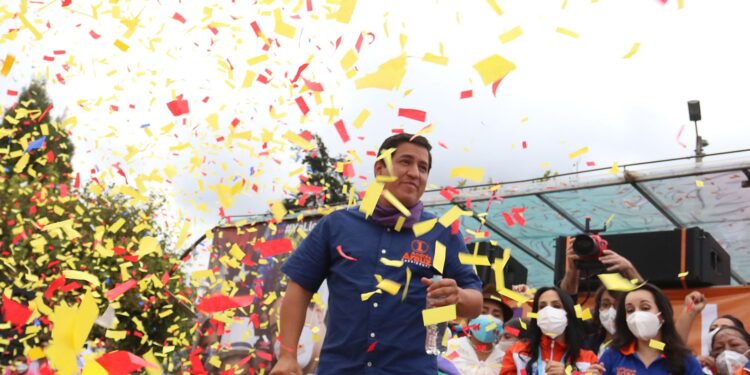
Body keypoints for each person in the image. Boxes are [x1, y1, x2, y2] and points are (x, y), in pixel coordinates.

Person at [271, 133, 483, 375]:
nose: (415, 172)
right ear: (380, 168)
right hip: (340, 369)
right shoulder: (337, 225)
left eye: (423, 168)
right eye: (405, 162)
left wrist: (458, 297)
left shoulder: (442, 232)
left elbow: (475, 301)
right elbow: (300, 289)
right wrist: (288, 355)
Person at [600, 283, 703, 374]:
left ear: (662, 315)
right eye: (630, 310)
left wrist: (689, 311)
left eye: (645, 308)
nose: (637, 315)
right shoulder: (612, 356)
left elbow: (668, 346)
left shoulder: (684, 360)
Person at [501, 286, 604, 375]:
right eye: (542, 307)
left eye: (556, 306)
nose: (548, 311)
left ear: (568, 315)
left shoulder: (589, 359)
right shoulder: (517, 351)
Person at [445, 285, 514, 375]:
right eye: (483, 312)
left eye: (496, 315)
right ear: (470, 318)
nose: (489, 318)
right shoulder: (450, 347)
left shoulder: (505, 359)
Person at [559, 237, 642, 297]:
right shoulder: (588, 316)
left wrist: (629, 268)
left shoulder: (633, 317)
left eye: (616, 304)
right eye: (605, 304)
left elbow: (645, 299)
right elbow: (570, 306)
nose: (610, 309)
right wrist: (572, 270)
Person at [583, 287, 623, 356]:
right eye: (605, 304)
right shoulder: (587, 343)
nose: (611, 310)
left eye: (617, 306)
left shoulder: (638, 346)